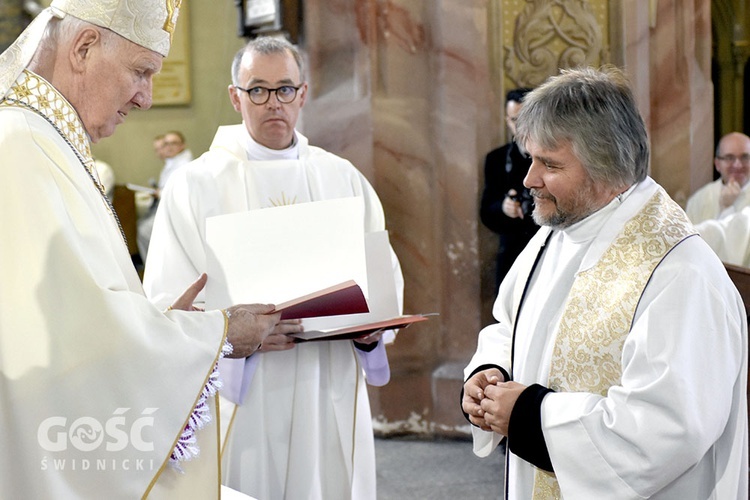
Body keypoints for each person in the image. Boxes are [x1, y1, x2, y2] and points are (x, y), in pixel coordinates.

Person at [0, 1, 302, 497]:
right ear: (83, 48)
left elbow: (76, 316)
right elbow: (52, 347)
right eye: (141, 72)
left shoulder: (42, 141)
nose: (146, 98)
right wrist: (216, 333)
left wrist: (158, 325)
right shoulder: (21, 145)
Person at [461, 66, 748, 499]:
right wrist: (489, 373)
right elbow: (511, 323)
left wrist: (525, 415)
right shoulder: (555, 234)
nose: (528, 179)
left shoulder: (679, 273)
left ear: (606, 166)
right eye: (531, 159)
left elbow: (665, 431)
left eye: (549, 164)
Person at [143, 36, 404, 500]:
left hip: (329, 379)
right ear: (234, 97)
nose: (272, 103)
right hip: (242, 392)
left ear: (303, 94)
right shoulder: (194, 186)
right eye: (257, 90)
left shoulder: (342, 178)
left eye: (285, 89)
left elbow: (382, 279)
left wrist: (371, 331)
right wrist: (232, 334)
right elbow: (167, 301)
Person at [480, 87, 538, 291]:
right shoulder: (496, 159)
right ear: (507, 121)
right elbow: (486, 212)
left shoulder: (555, 156)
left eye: (524, 119)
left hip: (548, 252)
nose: (520, 126)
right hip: (513, 257)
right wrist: (504, 208)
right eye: (514, 120)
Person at [137, 130, 194, 260]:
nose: (168, 147)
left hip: (178, 211)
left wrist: (160, 193)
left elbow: (180, 191)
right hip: (168, 206)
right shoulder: (173, 162)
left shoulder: (185, 164)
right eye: (166, 144)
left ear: (182, 145)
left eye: (173, 143)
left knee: (145, 231)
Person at [685, 132, 750, 224]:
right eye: (729, 158)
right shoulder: (699, 200)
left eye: (745, 157)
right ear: (717, 164)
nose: (738, 165)